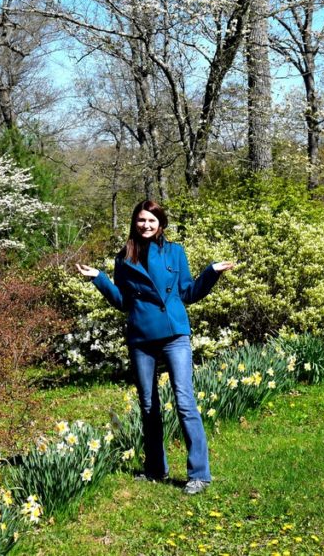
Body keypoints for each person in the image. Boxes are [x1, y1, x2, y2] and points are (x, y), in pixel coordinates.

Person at [75, 200, 235, 495]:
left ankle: (199, 473)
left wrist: (211, 272)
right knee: (148, 405)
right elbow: (123, 302)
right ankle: (155, 469)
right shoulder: (124, 258)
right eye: (140, 221)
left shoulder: (176, 252)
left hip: (174, 332)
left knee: (185, 400)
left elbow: (188, 292)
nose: (145, 225)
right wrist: (99, 279)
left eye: (151, 220)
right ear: (133, 223)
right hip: (141, 335)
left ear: (160, 223)